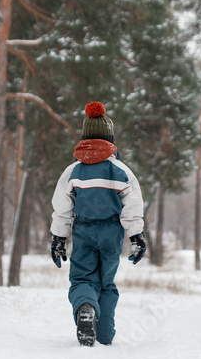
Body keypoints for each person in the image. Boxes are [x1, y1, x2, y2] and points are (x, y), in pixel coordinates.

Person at [50, 101, 147, 346]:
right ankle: (104, 334)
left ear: (85, 138)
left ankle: (85, 307)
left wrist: (58, 238)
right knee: (106, 281)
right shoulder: (121, 170)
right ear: (110, 139)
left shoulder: (73, 171)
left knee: (83, 279)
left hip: (83, 229)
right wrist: (136, 236)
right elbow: (133, 206)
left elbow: (62, 208)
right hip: (112, 232)